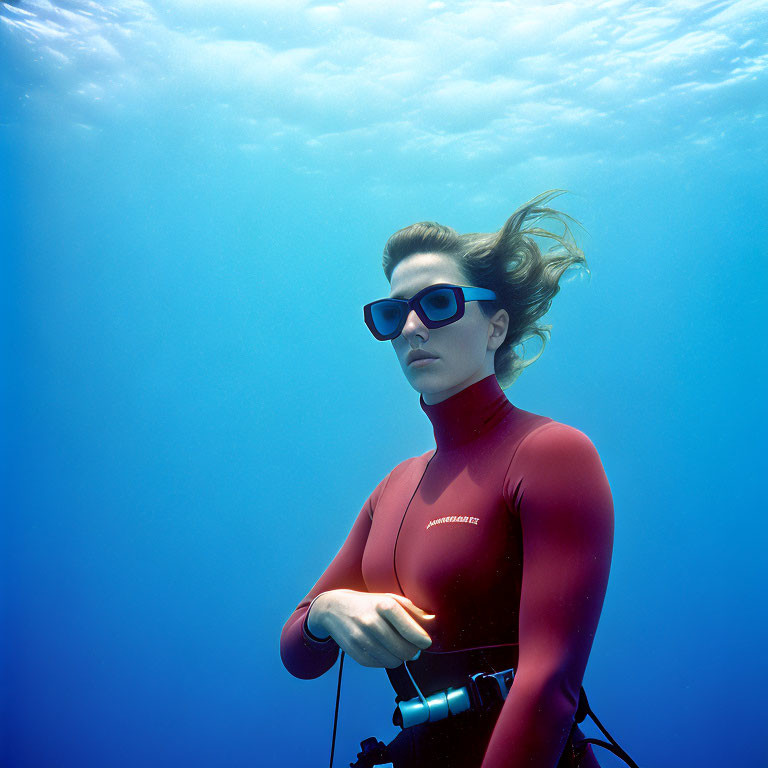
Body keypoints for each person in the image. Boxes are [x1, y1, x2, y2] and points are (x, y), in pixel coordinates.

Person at [279, 190, 617, 768]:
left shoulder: (552, 454)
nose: (412, 327)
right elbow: (299, 653)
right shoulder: (394, 487)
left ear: (496, 326)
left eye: (438, 303)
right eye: (392, 314)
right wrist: (329, 610)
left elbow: (550, 684)